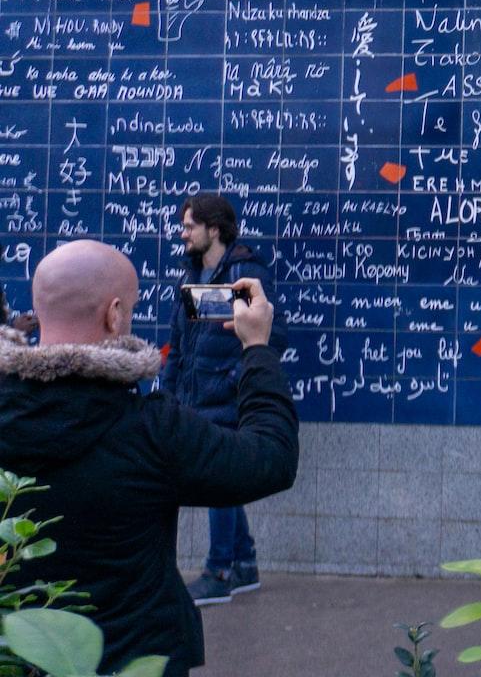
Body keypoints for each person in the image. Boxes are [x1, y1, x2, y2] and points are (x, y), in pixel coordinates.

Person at [0, 240, 297, 677]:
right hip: (137, 661)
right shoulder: (149, 429)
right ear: (114, 313)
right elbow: (270, 460)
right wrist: (257, 349)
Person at [165, 192, 279, 603]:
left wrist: (232, 380)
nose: (183, 232)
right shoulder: (191, 276)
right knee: (223, 482)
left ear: (214, 229)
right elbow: (179, 341)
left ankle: (219, 570)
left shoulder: (246, 274)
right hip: (196, 399)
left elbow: (267, 335)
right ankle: (244, 563)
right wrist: (169, 390)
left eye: (190, 225)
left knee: (218, 481)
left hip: (228, 399)